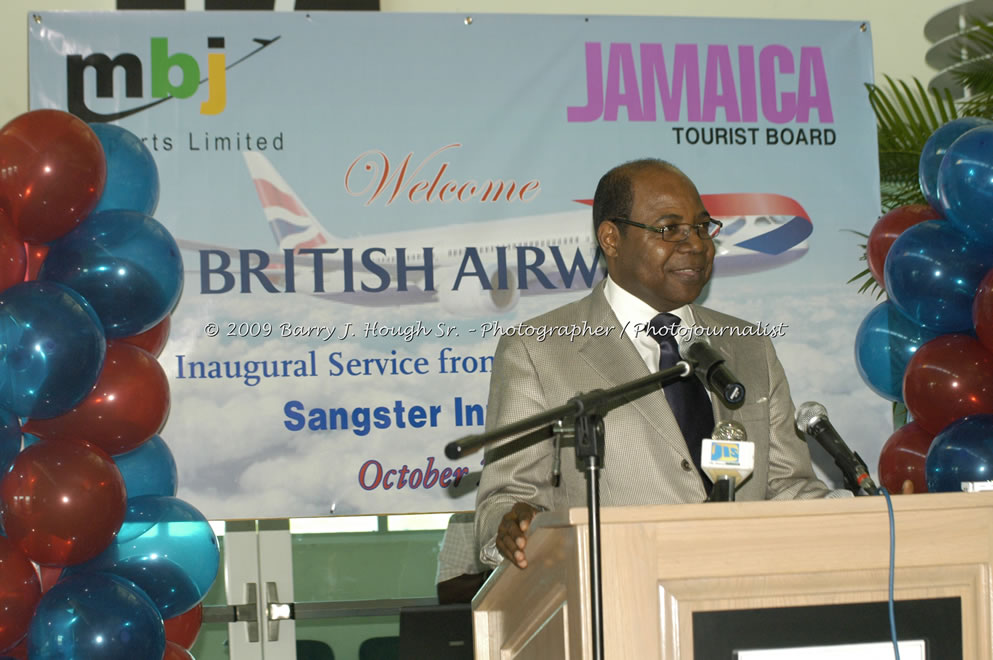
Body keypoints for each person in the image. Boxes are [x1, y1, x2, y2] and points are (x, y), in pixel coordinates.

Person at [474, 159, 846, 570]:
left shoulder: (750, 347)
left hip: (743, 586)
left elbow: (788, 487)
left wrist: (867, 515)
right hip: (618, 591)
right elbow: (505, 500)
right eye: (670, 229)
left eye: (702, 227)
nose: (697, 245)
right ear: (611, 239)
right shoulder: (537, 350)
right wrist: (515, 525)